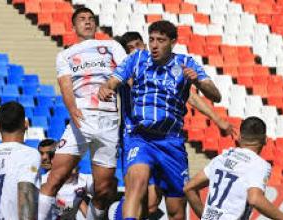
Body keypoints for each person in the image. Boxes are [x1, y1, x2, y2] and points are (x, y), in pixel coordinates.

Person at [98, 20, 222, 219]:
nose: (154, 45)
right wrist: (106, 87)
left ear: (172, 42)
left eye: (161, 40)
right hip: (140, 137)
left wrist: (198, 81)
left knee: (176, 210)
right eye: (152, 39)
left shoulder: (186, 63)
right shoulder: (137, 59)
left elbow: (216, 95)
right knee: (137, 183)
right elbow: (114, 80)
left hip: (171, 142)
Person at [39, 7, 127, 220]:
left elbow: (126, 71)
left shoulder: (111, 46)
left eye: (90, 19)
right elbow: (66, 85)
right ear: (74, 26)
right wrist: (73, 111)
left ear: (95, 24)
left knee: (104, 189)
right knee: (56, 177)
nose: (87, 22)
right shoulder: (65, 54)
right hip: (82, 118)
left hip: (108, 121)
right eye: (81, 19)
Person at [184, 117, 283, 220]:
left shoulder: (222, 158)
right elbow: (255, 199)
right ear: (265, 140)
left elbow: (189, 188)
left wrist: (204, 217)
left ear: (239, 137)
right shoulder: (259, 164)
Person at [38, 139, 93, 219]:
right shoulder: (42, 183)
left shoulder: (85, 179)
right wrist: (77, 202)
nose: (45, 158)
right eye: (41, 154)